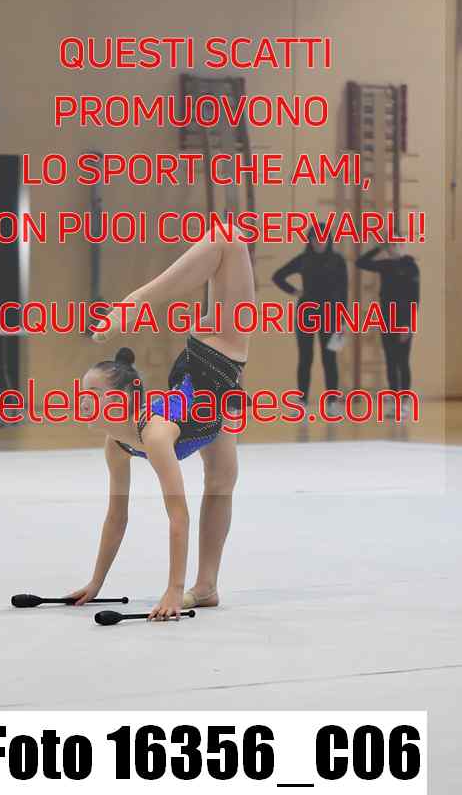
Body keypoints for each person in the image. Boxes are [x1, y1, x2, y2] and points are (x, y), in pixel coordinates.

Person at [68, 229, 255, 620]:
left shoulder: (153, 435)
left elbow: (178, 516)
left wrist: (173, 590)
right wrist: (95, 583)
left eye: (94, 393)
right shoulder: (116, 444)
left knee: (227, 239)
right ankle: (207, 587)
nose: (83, 400)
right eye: (82, 392)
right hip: (206, 406)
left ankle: (135, 302)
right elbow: (116, 518)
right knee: (222, 480)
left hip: (214, 361)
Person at [272, 225, 348, 415]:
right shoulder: (304, 259)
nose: (319, 243)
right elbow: (278, 276)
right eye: (315, 239)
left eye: (322, 239)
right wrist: (294, 291)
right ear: (310, 240)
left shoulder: (338, 261)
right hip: (306, 314)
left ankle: (332, 402)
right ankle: (302, 401)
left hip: (330, 315)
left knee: (329, 359)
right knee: (305, 358)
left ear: (328, 240)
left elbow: (344, 291)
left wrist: (343, 319)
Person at [355, 242, 420, 416]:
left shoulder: (411, 267)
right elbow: (360, 262)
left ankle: (404, 403)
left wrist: (408, 325)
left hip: (404, 321)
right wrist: (379, 248)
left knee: (402, 361)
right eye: (391, 245)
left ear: (403, 246)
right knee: (390, 362)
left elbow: (415, 299)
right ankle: (395, 402)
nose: (394, 248)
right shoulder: (386, 265)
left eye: (397, 244)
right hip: (386, 319)